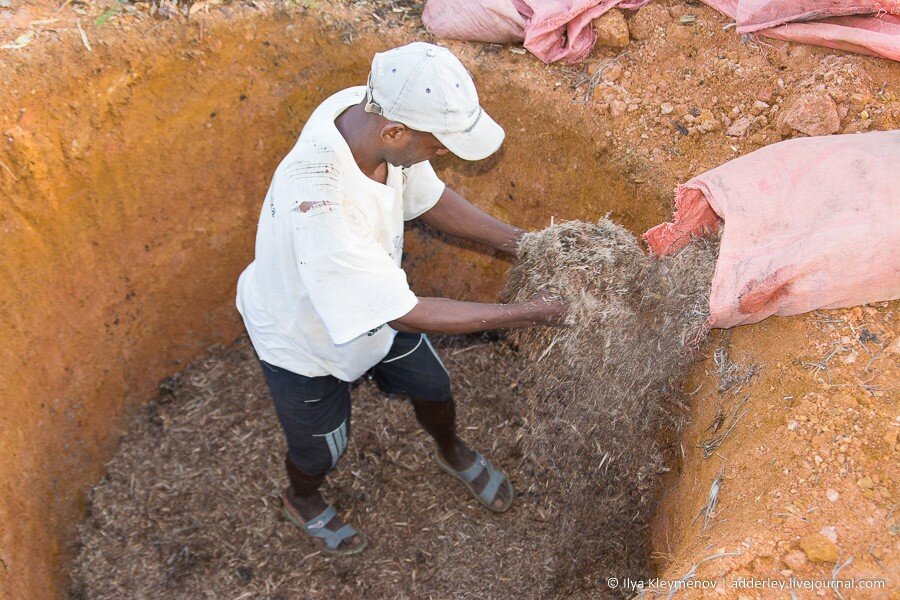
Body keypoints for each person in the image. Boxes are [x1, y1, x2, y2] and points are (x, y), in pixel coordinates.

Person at [235, 41, 566, 556]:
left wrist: (526, 244)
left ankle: (451, 450)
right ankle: (303, 500)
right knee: (321, 450)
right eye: (440, 145)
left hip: (377, 302)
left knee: (435, 387)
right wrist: (535, 313)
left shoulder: (367, 112)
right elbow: (408, 312)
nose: (442, 154)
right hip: (304, 338)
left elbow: (428, 198)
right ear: (395, 132)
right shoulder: (322, 205)